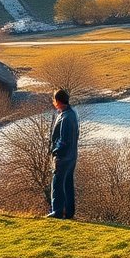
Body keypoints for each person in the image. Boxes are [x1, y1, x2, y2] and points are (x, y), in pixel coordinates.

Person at [47, 88, 79, 220]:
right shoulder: (72, 114)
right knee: (68, 184)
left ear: (58, 101)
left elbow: (64, 140)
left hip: (63, 157)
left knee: (57, 184)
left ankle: (57, 211)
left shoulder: (65, 117)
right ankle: (69, 212)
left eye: (54, 100)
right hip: (72, 156)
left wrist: (56, 152)